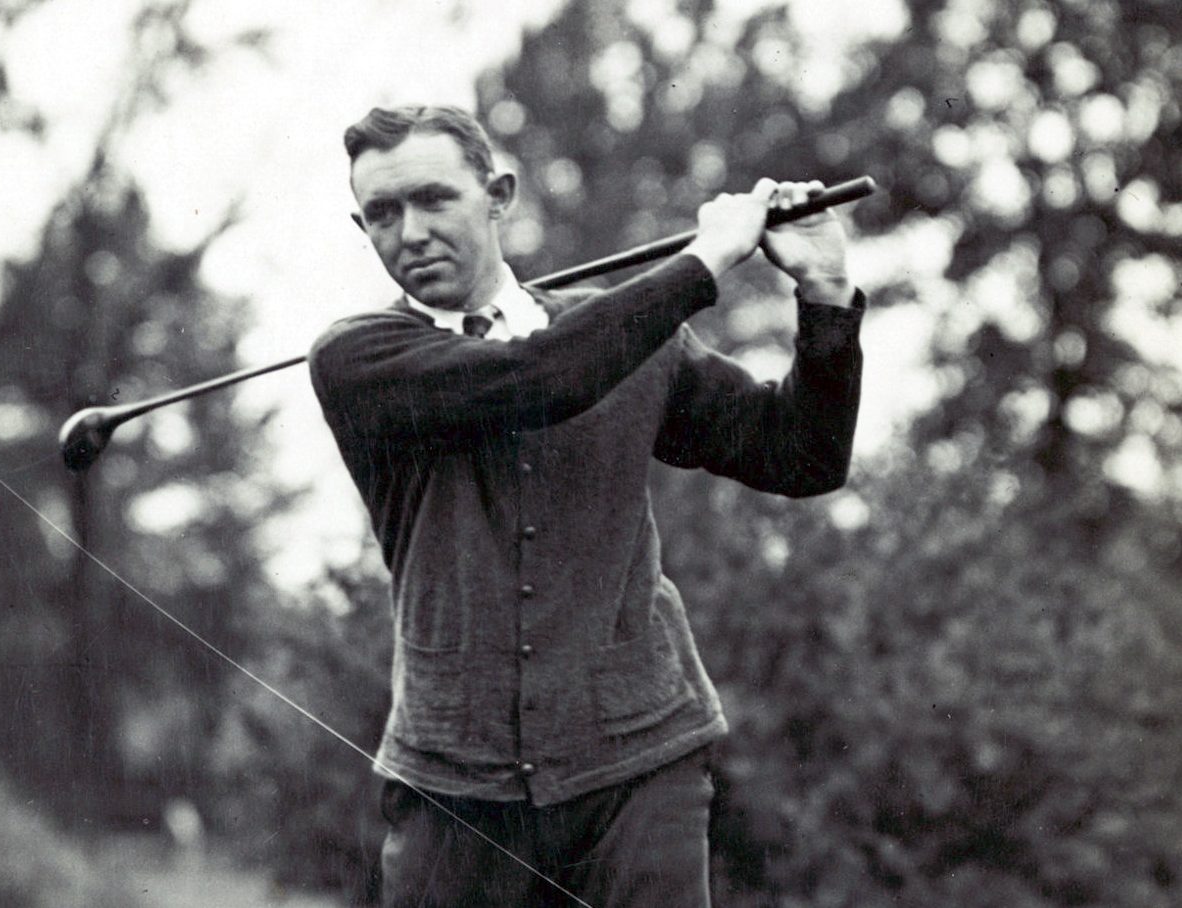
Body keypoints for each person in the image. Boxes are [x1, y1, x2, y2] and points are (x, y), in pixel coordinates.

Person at [308, 105, 864, 908]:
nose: (411, 231)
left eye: (435, 199)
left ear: (497, 194)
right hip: (454, 784)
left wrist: (826, 292)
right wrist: (705, 263)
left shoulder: (628, 339)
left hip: (642, 765)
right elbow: (539, 379)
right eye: (383, 214)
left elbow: (802, 457)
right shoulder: (358, 356)